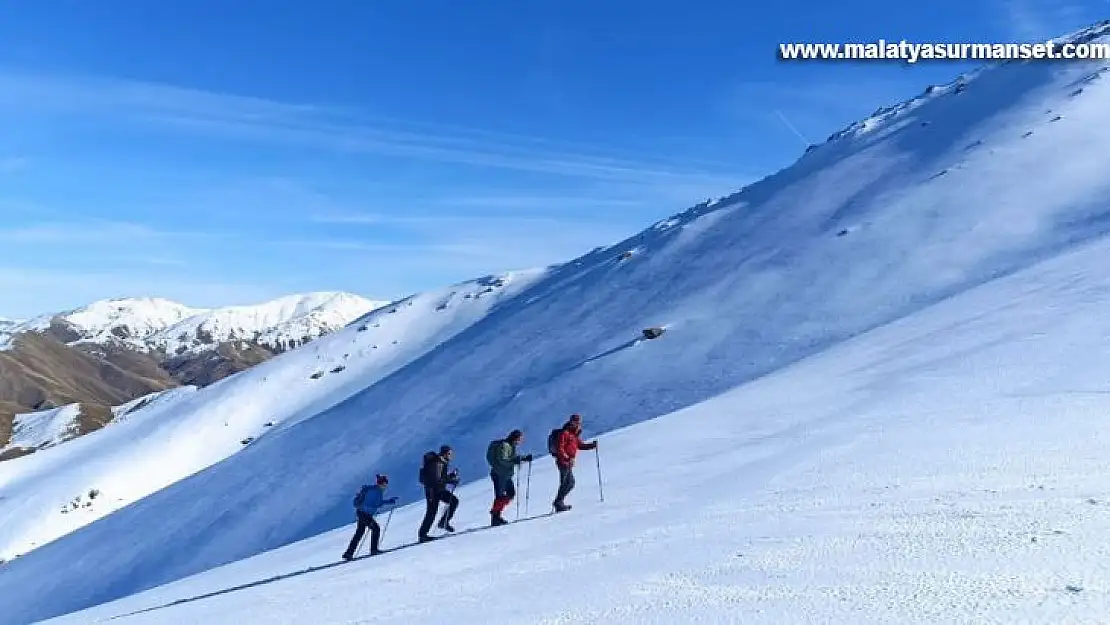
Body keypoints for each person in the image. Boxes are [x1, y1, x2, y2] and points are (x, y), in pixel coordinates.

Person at [341, 473, 397, 560]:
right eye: (385, 484)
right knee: (376, 529)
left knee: (359, 533)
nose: (386, 486)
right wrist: (390, 501)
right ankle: (373, 550)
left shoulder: (371, 489)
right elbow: (377, 503)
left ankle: (348, 553)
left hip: (361, 513)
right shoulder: (378, 491)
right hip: (366, 515)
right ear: (381, 484)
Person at [486, 429, 533, 526]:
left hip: (505, 475)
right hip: (499, 474)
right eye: (519, 439)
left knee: (509, 494)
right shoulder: (505, 445)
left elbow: (513, 458)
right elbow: (502, 459)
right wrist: (516, 460)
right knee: (500, 496)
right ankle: (495, 517)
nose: (520, 441)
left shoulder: (511, 446)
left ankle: (496, 515)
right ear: (515, 438)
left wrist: (523, 458)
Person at [552, 414, 597, 512]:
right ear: (571, 422)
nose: (577, 424)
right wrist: (566, 458)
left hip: (569, 462)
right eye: (575, 422)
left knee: (569, 483)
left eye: (578, 422)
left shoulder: (573, 434)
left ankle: (559, 502)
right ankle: (558, 503)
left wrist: (592, 446)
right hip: (563, 462)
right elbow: (560, 448)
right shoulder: (565, 433)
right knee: (567, 483)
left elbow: (580, 445)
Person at [418, 445, 460, 542]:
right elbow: (437, 479)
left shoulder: (441, 462)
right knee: (431, 512)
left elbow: (441, 477)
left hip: (438, 490)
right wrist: (451, 480)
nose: (451, 456)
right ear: (445, 453)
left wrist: (451, 477)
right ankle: (422, 535)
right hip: (432, 491)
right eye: (449, 454)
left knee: (453, 501)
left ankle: (443, 522)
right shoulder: (438, 463)